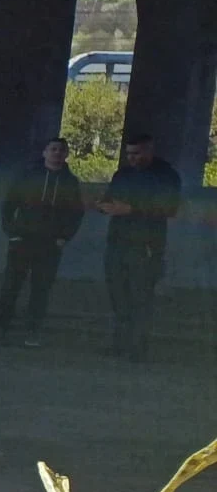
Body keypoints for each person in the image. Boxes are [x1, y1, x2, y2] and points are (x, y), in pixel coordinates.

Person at [0, 137, 84, 347]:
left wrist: (63, 237)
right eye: (53, 149)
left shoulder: (70, 182)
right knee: (11, 286)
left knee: (41, 289)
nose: (57, 153)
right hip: (22, 240)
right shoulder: (28, 177)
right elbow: (9, 204)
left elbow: (76, 213)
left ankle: (32, 332)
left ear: (66, 154)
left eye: (61, 150)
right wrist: (12, 232)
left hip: (50, 244)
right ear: (44, 152)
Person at [98, 134, 180, 362]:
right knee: (118, 296)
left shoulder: (166, 175)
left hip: (146, 245)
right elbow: (109, 198)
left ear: (149, 150)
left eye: (136, 153)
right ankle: (119, 344)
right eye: (128, 154)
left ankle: (137, 348)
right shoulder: (122, 174)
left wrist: (132, 209)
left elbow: (170, 207)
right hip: (117, 242)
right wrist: (104, 206)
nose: (132, 158)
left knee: (140, 297)